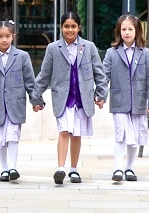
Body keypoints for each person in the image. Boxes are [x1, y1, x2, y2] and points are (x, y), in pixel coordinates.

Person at [32, 11, 109, 185]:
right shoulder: (53, 49)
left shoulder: (89, 47)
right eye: (66, 26)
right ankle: (60, 168)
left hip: (83, 98)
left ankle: (74, 169)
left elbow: (99, 73)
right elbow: (44, 75)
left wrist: (101, 94)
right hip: (63, 98)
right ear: (61, 28)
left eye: (73, 26)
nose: (70, 30)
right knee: (64, 131)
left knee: (77, 134)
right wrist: (36, 98)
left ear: (79, 28)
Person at [0, 20, 36, 182]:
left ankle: (13, 167)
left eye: (8, 36)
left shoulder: (22, 56)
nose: (4, 40)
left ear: (13, 37)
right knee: (0, 139)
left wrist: (35, 100)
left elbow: (30, 82)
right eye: (1, 36)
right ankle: (4, 169)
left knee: (13, 136)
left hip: (15, 104)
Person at [103, 14, 149, 182]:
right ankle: (118, 168)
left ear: (137, 31)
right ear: (119, 31)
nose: (127, 32)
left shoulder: (145, 53)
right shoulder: (111, 53)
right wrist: (100, 96)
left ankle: (129, 168)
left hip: (139, 102)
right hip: (119, 101)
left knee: (135, 137)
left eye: (130, 29)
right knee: (121, 134)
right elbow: (104, 77)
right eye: (123, 29)